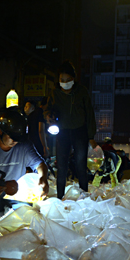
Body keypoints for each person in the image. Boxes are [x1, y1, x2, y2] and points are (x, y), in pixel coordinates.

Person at [0, 107, 48, 214]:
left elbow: (40, 164)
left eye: (18, 139)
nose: (15, 141)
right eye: (12, 137)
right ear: (1, 131)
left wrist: (43, 177)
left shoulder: (24, 145)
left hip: (17, 194)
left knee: (33, 212)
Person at [44, 60, 98, 198]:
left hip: (80, 132)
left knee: (80, 165)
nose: (65, 82)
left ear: (73, 79)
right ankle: (60, 197)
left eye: (68, 80)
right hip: (62, 132)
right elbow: (47, 109)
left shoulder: (81, 92)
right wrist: (49, 116)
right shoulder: (55, 93)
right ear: (59, 80)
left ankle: (84, 196)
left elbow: (89, 113)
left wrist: (91, 136)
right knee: (61, 166)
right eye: (62, 80)